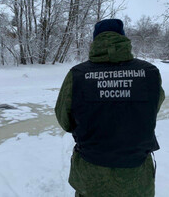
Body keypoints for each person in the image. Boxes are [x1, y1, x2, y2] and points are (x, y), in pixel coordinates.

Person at [55, 19, 165, 197]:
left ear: (95, 41)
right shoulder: (149, 72)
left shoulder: (78, 75)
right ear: (123, 38)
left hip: (91, 177)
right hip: (136, 177)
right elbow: (153, 107)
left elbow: (64, 119)